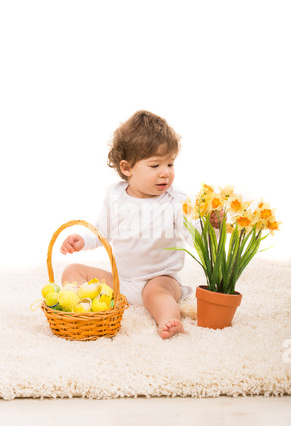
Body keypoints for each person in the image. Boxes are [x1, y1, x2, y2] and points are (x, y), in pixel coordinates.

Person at [60, 110, 224, 339]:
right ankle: (90, 308)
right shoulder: (116, 196)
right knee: (72, 271)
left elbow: (192, 235)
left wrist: (211, 227)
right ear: (127, 168)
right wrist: (83, 240)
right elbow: (102, 230)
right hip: (123, 282)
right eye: (155, 166)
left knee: (157, 295)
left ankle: (169, 320)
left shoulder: (175, 201)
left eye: (170, 164)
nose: (165, 173)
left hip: (161, 279)